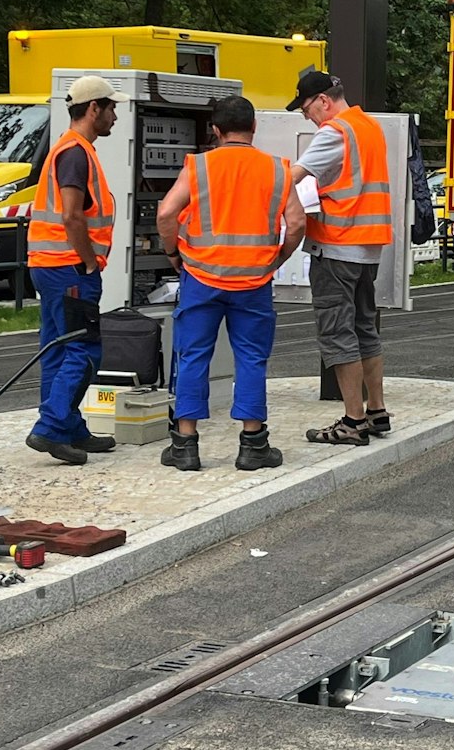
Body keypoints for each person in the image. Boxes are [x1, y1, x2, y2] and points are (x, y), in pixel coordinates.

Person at [155, 95, 306, 472]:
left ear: (216, 130)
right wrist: (278, 257)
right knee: (251, 358)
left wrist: (174, 254)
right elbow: (298, 222)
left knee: (192, 355)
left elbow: (166, 212)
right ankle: (253, 445)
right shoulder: (277, 169)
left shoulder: (199, 167)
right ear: (254, 128)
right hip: (253, 280)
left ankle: (185, 445)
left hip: (201, 277)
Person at [285, 69, 394, 446]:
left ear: (322, 101)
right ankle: (377, 412)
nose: (308, 118)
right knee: (365, 327)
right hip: (368, 246)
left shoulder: (334, 131)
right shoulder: (368, 127)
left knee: (337, 332)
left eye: (306, 110)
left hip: (337, 245)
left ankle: (353, 421)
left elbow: (292, 176)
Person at [24, 74, 123, 466]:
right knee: (83, 350)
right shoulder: (75, 152)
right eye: (111, 107)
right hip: (68, 267)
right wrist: (86, 261)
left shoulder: (69, 149)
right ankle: (51, 427)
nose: (115, 115)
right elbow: (71, 215)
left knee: (57, 349)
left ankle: (68, 426)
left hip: (48, 265)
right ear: (94, 109)